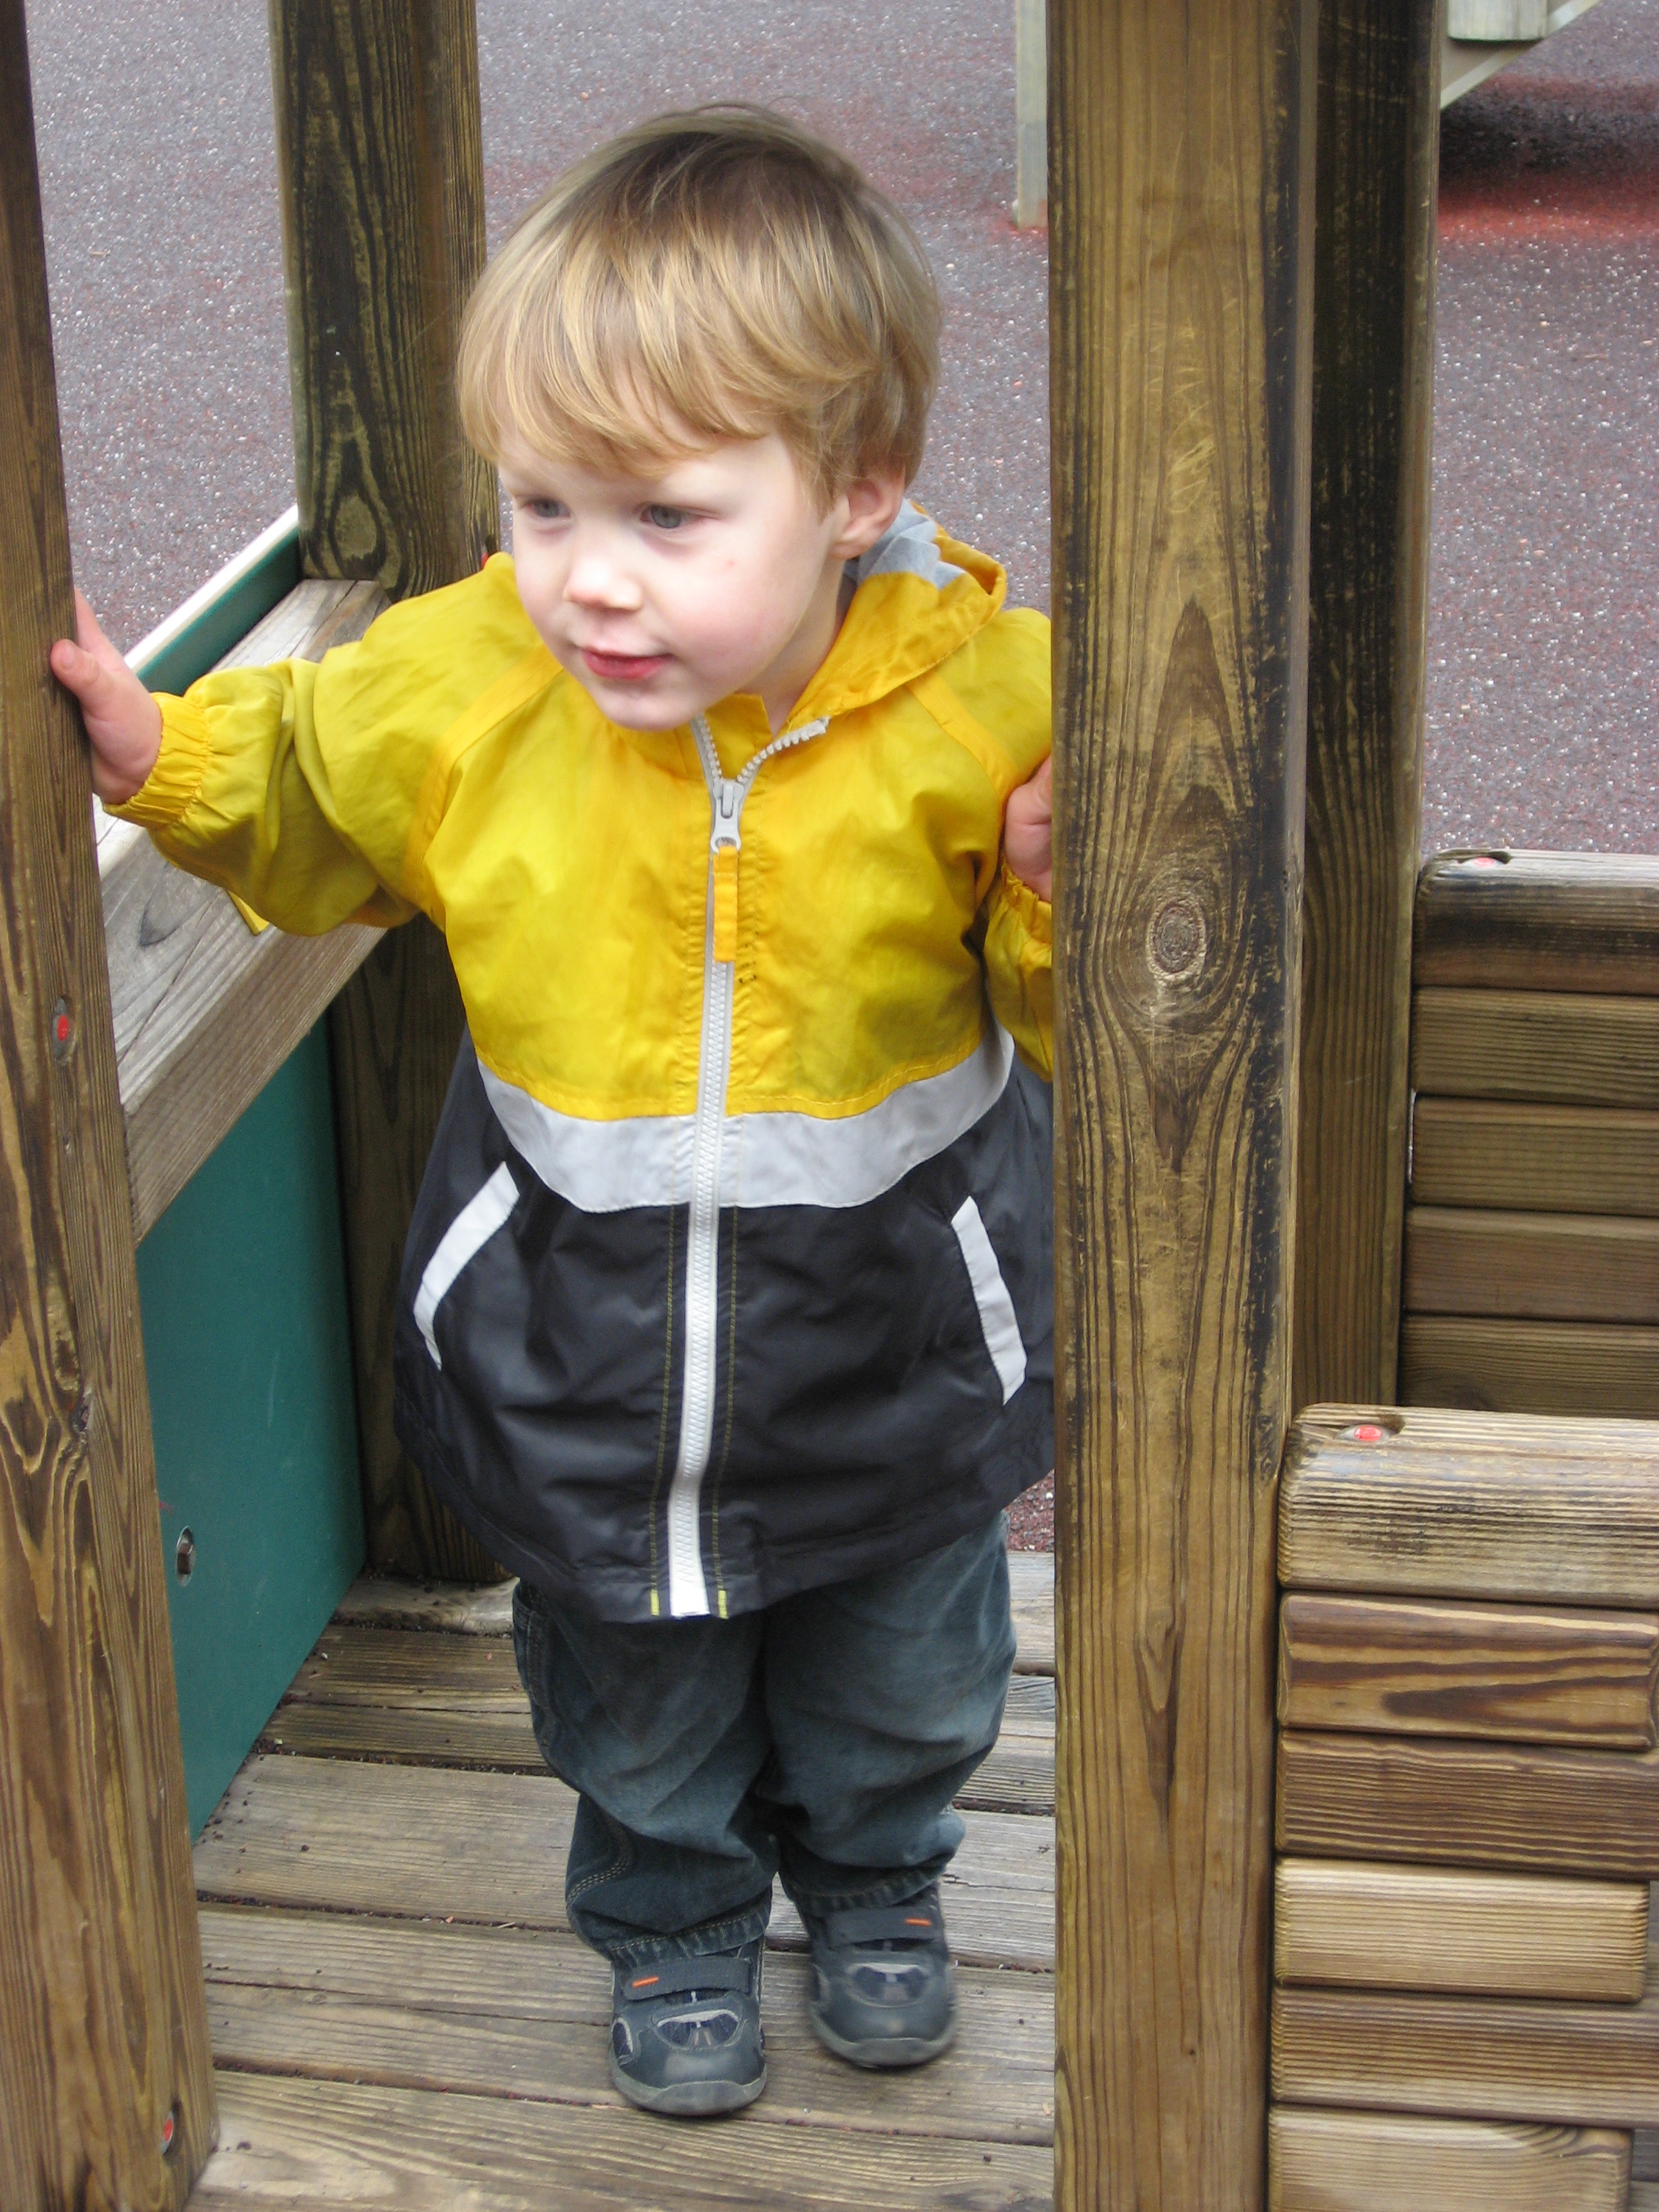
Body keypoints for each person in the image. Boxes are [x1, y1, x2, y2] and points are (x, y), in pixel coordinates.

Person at [53, 105, 1057, 2121]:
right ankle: (673, 1914)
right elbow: (314, 771)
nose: (589, 578)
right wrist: (167, 756)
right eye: (541, 504)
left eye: (668, 517)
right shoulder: (480, 680)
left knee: (907, 1665)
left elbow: (1085, 1007)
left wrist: (1053, 891)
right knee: (628, 1685)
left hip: (893, 1345)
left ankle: (883, 1875)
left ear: (858, 491)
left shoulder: (989, 706)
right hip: (578, 1344)